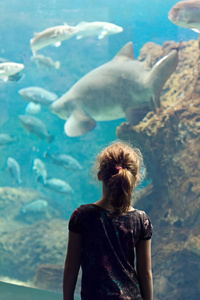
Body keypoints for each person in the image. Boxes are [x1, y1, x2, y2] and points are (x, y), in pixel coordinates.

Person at [63, 141, 153, 300]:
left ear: (99, 175)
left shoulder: (82, 215)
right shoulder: (141, 220)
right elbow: (145, 273)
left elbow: (71, 267)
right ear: (135, 178)